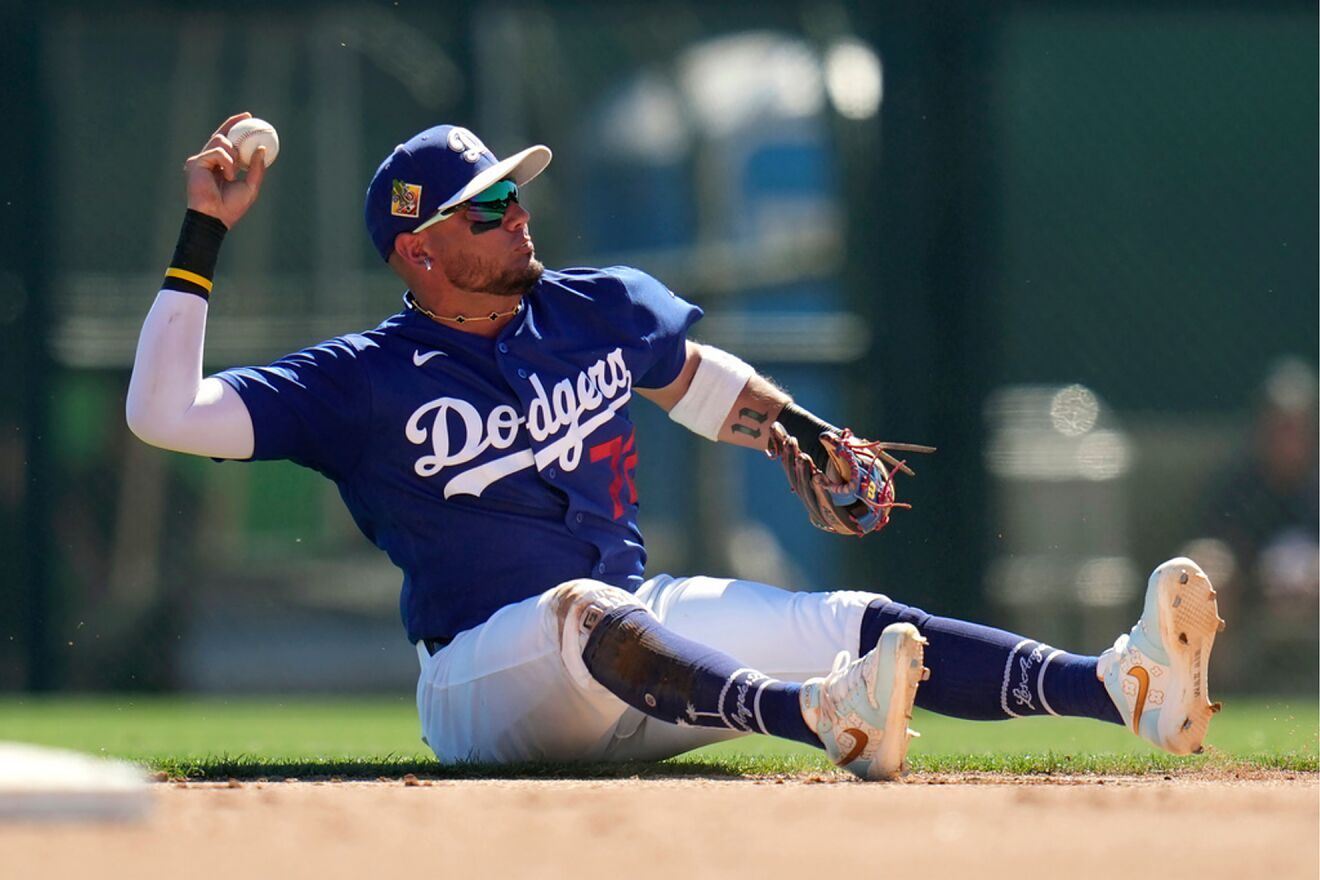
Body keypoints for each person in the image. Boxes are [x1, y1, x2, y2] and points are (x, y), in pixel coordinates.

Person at [126, 113, 1225, 779]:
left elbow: (696, 383)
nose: (516, 210)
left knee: (844, 619)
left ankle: (1124, 686)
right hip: (483, 684)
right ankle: (818, 717)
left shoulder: (592, 306)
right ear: (417, 252)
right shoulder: (357, 380)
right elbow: (163, 414)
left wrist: (799, 432)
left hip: (644, 654)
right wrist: (203, 232)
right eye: (484, 205)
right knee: (581, 610)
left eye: (514, 190)